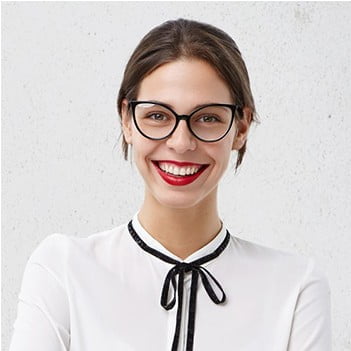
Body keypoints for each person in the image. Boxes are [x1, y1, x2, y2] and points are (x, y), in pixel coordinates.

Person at [9, 18, 331, 351]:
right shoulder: (63, 268)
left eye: (208, 118)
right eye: (158, 115)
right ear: (127, 120)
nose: (181, 143)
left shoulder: (296, 288)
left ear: (242, 126)